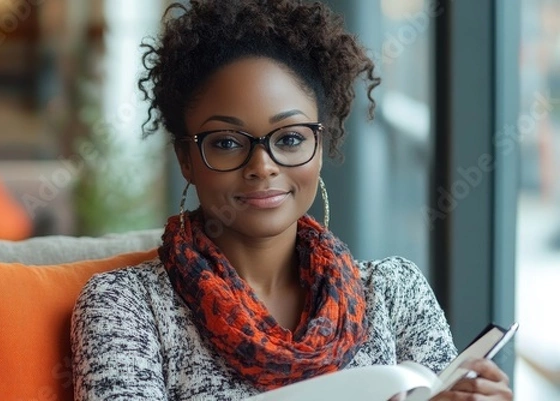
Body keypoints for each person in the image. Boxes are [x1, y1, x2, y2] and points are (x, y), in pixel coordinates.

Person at [70, 1, 513, 400]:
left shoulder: (393, 293)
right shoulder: (127, 306)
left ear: (319, 149)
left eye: (290, 138)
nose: (262, 165)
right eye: (226, 142)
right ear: (187, 158)